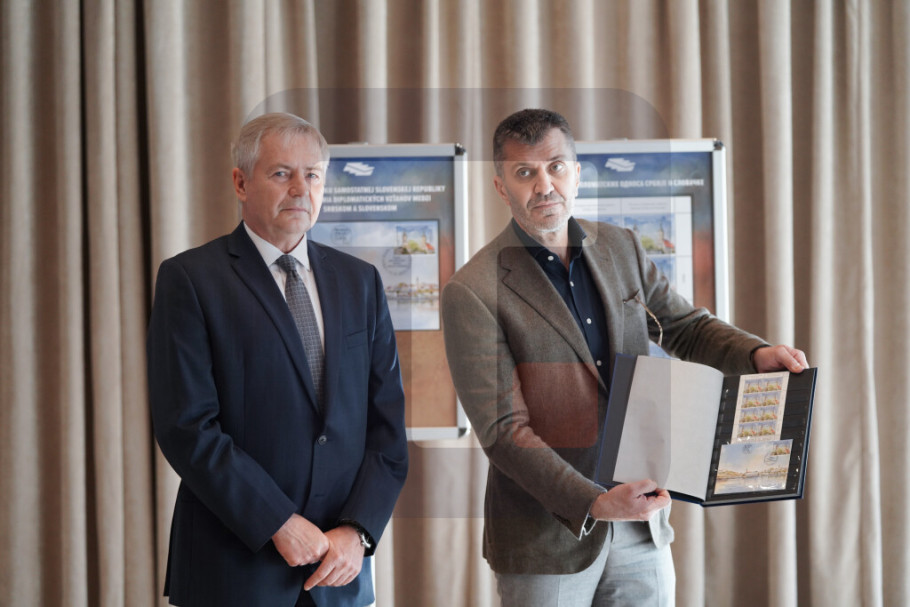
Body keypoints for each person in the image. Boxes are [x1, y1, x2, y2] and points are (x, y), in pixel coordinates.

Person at [440, 108, 808, 606]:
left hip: (642, 521)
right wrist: (594, 502)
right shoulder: (473, 290)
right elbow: (503, 431)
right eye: (525, 172)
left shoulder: (621, 247)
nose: (545, 185)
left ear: (577, 172)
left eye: (556, 167)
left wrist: (756, 353)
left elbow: (685, 327)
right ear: (501, 187)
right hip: (547, 540)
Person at [148, 112, 409, 607]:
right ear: (240, 182)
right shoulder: (191, 280)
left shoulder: (361, 282)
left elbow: (387, 427)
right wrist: (278, 522)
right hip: (234, 571)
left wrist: (357, 531)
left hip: (339, 573)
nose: (300, 189)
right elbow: (187, 427)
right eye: (282, 173)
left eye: (313, 175)